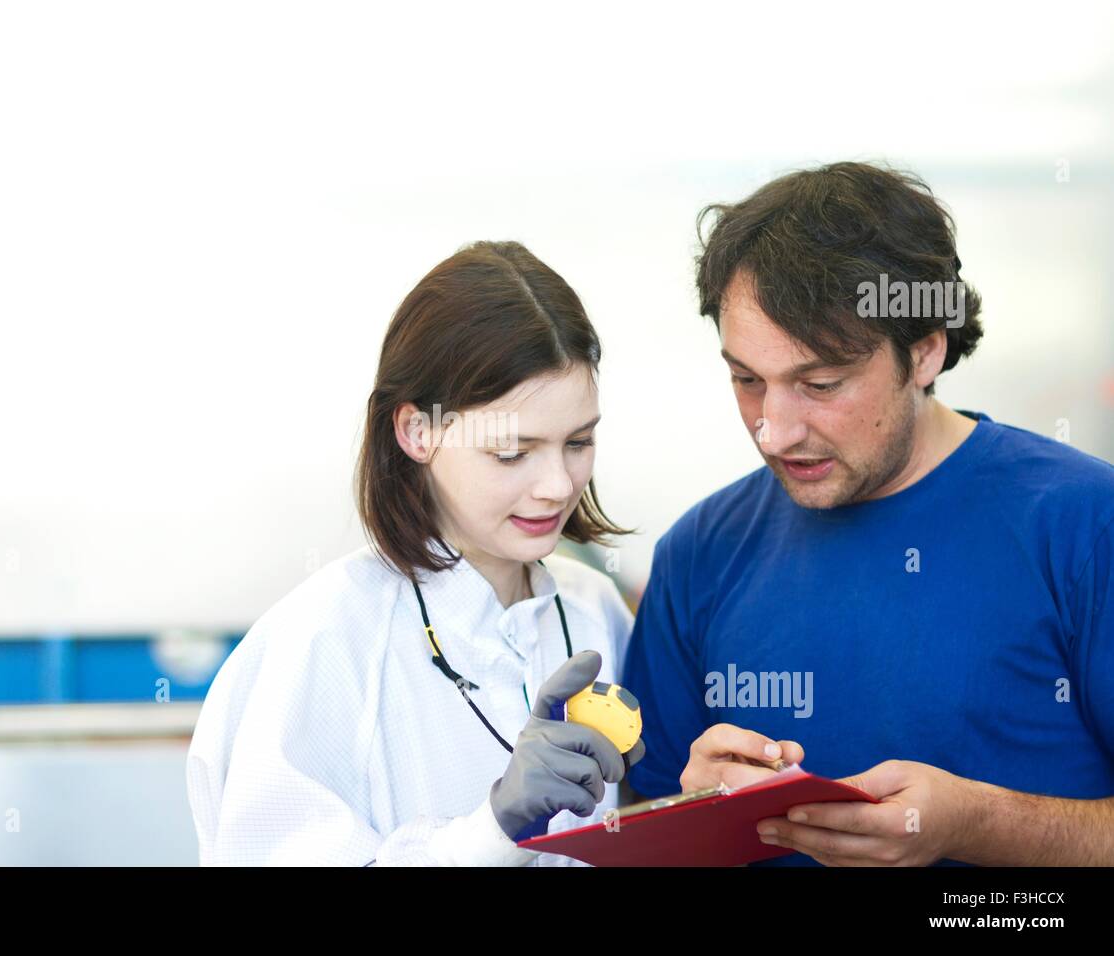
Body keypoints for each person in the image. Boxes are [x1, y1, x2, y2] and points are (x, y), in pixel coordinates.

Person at [624, 161, 1114, 866]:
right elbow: (640, 832)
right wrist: (691, 813)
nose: (776, 430)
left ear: (925, 350)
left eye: (820, 384)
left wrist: (977, 823)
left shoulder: (1085, 527)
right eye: (746, 380)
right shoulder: (698, 554)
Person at [187, 240, 643, 865]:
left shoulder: (595, 609)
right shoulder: (322, 641)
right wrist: (492, 829)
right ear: (417, 431)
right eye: (512, 452)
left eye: (578, 442)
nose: (559, 486)